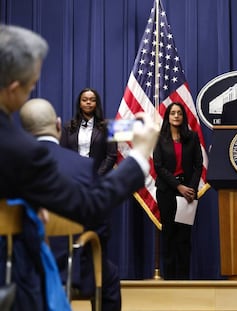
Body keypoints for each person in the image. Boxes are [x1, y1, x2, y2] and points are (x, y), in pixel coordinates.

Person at [0, 24, 159, 309]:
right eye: (30, 85)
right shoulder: (18, 148)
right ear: (12, 89)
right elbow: (90, 204)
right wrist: (141, 153)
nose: (32, 89)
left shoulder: (21, 145)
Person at [20, 98, 121, 311]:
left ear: (23, 131)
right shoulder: (82, 167)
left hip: (18, 266)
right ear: (58, 125)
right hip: (70, 265)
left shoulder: (9, 164)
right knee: (108, 279)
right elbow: (100, 225)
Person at [153, 102, 203, 280]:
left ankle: (183, 279)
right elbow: (159, 166)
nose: (176, 116)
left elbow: (198, 165)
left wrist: (190, 188)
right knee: (169, 234)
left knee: (184, 237)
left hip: (188, 193)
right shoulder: (159, 138)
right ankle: (169, 279)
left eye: (179, 113)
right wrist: (178, 186)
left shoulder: (192, 137)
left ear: (183, 117)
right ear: (167, 116)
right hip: (167, 192)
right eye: (172, 113)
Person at [60, 87, 117, 176]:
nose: (88, 102)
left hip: (98, 178)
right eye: (84, 100)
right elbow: (63, 153)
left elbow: (112, 155)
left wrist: (97, 175)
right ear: (79, 103)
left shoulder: (109, 126)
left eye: (92, 100)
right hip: (74, 177)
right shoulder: (68, 127)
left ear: (96, 104)